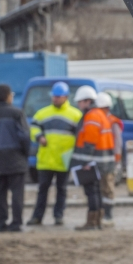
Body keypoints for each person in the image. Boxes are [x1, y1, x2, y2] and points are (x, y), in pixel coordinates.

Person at [27, 82, 83, 226]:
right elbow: (34, 127)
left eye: (58, 97)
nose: (55, 99)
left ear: (65, 97)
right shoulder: (43, 113)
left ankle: (58, 216)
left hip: (64, 160)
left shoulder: (75, 115)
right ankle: (37, 217)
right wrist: (39, 137)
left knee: (62, 190)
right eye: (54, 97)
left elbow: (80, 136)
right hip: (46, 159)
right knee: (42, 190)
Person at [0, 85, 30, 232]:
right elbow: (24, 136)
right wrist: (25, 154)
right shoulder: (16, 113)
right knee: (17, 192)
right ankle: (16, 223)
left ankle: (1, 222)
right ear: (8, 96)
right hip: (16, 156)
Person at [70, 86, 115, 231]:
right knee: (96, 191)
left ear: (87, 101)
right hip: (101, 161)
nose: (79, 105)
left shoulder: (92, 116)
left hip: (93, 161)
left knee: (92, 192)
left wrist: (84, 162)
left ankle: (92, 222)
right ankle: (98, 221)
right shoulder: (100, 114)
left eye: (80, 102)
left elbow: (89, 142)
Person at [95, 92, 123, 228]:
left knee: (108, 187)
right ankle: (101, 214)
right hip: (100, 160)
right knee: (101, 188)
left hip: (109, 161)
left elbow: (117, 144)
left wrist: (117, 162)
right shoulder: (100, 120)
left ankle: (108, 215)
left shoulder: (112, 122)